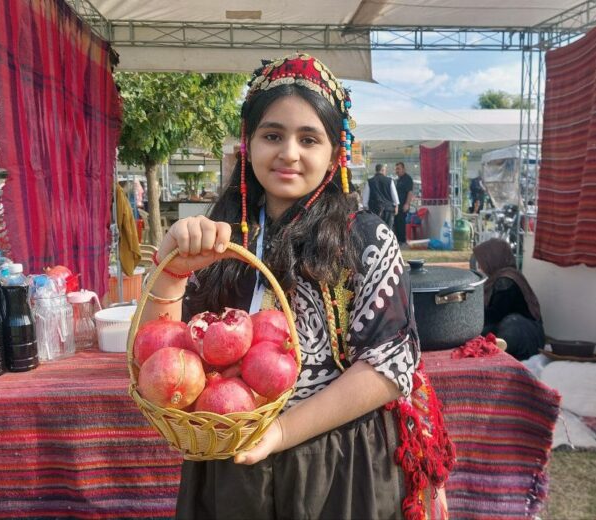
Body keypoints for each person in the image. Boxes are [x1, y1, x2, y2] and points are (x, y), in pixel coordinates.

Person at [140, 53, 453, 519]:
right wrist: (171, 270)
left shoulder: (366, 239)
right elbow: (160, 354)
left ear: (335, 152)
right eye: (273, 135)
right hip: (232, 457)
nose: (289, 152)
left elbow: (389, 369)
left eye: (309, 138)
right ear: (249, 143)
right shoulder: (219, 233)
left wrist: (282, 433)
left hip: (339, 465)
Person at [473, 238, 544, 360]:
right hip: (513, 330)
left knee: (508, 323)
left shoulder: (506, 280)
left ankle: (503, 358)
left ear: (493, 259)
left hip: (525, 336)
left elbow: (495, 314)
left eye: (482, 262)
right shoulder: (498, 278)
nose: (480, 267)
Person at [363, 163, 399, 228]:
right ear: (382, 170)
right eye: (385, 170)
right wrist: (396, 206)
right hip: (388, 210)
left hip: (374, 210)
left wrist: (366, 208)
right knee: (388, 229)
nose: (385, 172)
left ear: (376, 170)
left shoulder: (369, 181)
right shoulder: (389, 181)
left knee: (376, 229)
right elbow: (394, 196)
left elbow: (365, 198)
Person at [393, 162, 414, 246]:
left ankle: (402, 241)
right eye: (396, 169)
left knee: (401, 223)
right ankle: (398, 240)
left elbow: (410, 192)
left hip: (403, 205)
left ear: (403, 169)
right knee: (397, 222)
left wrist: (407, 204)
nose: (397, 171)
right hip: (398, 206)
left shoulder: (407, 179)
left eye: (398, 169)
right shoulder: (398, 180)